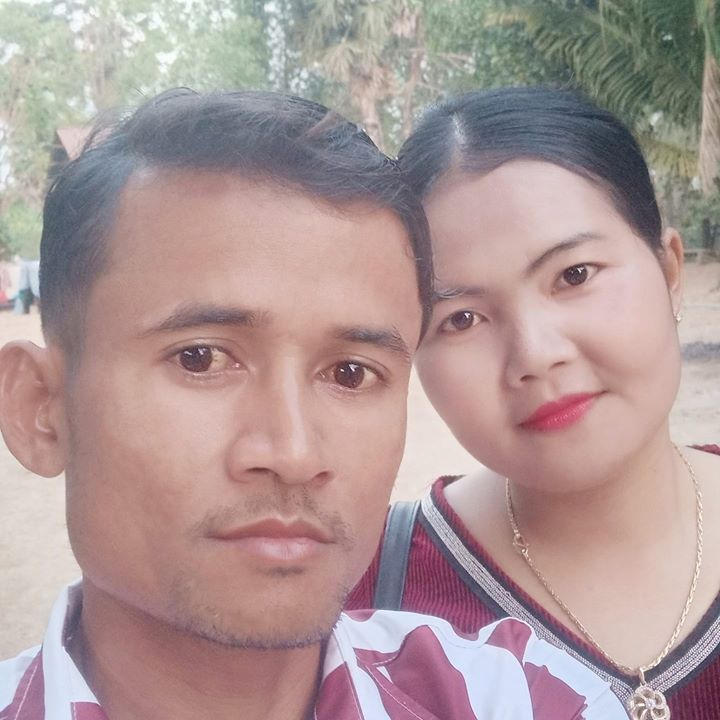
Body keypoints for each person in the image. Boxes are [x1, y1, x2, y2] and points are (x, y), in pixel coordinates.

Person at [0, 88, 627, 720]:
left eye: (351, 373)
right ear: (40, 409)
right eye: (201, 359)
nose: (294, 454)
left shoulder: (516, 697)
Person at [348, 87, 720, 718]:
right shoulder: (361, 598)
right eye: (462, 319)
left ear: (670, 271)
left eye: (574, 275)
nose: (535, 355)